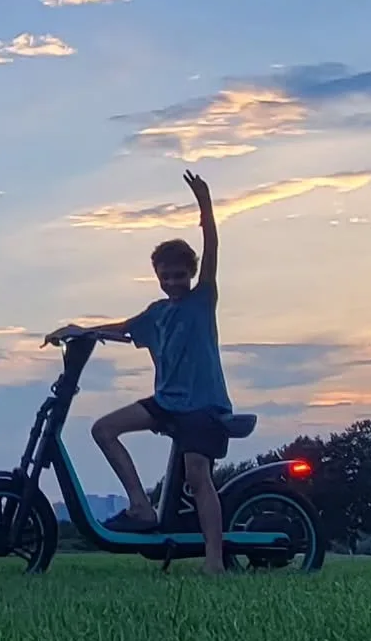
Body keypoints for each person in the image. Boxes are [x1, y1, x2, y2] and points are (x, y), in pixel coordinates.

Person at [46, 170, 232, 575]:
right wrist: (79, 330)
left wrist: (204, 204)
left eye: (179, 275)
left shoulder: (202, 299)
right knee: (103, 429)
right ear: (157, 277)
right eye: (166, 276)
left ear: (191, 274)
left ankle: (214, 561)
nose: (173, 282)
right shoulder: (157, 313)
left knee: (198, 476)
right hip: (166, 403)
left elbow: (212, 248)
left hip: (202, 406)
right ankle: (140, 506)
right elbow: (121, 328)